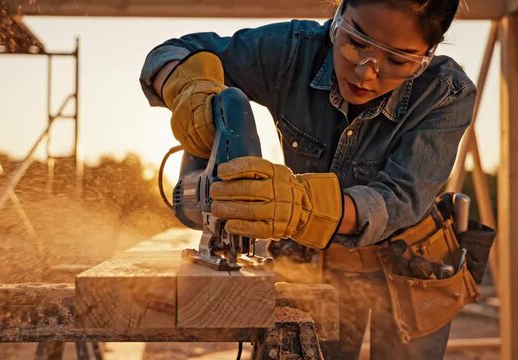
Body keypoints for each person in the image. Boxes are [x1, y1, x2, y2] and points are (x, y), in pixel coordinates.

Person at [140, 0, 476, 358]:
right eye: (356, 42)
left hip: (413, 262)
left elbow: (399, 198)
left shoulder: (446, 92)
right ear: (339, 15)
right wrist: (189, 88)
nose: (365, 73)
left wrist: (300, 207)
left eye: (397, 60)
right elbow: (173, 53)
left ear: (428, 55)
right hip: (314, 258)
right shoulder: (294, 52)